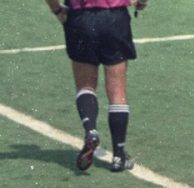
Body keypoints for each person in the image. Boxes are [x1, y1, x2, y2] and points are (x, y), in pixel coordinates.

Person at [45, 0, 148, 172]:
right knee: (117, 92)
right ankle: (118, 156)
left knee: (85, 86)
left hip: (80, 19)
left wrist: (57, 10)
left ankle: (91, 131)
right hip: (115, 19)